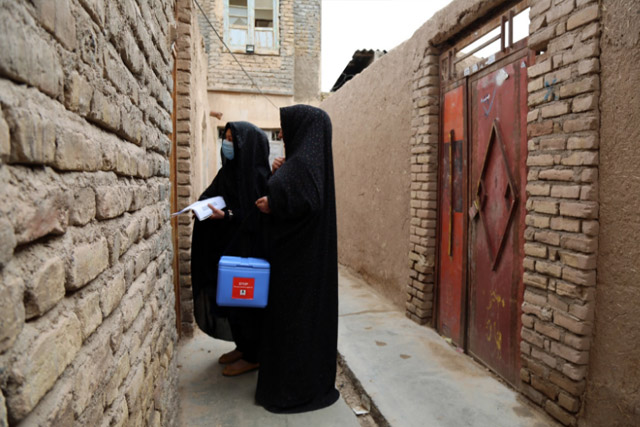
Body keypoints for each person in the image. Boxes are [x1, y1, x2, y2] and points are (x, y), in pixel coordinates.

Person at [255, 105, 340, 413]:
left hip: (295, 267)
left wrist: (274, 200)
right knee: (303, 328)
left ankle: (289, 390)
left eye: (285, 129)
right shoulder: (306, 162)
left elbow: (301, 198)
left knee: (290, 328)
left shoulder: (303, 164)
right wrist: (281, 173)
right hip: (303, 263)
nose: (282, 135)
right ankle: (306, 384)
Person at [191, 121, 271, 376]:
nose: (226, 144)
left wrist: (226, 216)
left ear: (246, 145)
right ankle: (242, 346)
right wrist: (201, 208)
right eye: (225, 138)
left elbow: (255, 217)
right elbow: (211, 195)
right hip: (227, 249)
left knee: (247, 304)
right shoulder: (228, 172)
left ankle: (254, 355)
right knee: (231, 303)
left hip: (248, 254)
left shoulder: (259, 176)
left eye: (231, 139)